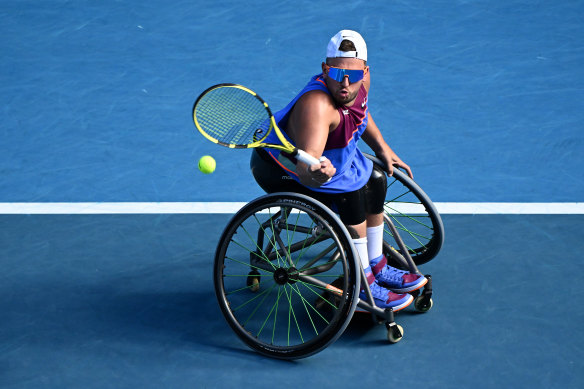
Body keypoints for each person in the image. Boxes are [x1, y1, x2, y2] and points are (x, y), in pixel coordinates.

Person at [250, 30, 426, 311]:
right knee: (350, 197)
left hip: (335, 159)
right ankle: (362, 283)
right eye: (337, 73)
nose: (345, 83)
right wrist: (317, 174)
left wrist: (382, 147)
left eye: (354, 76)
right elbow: (306, 171)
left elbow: (361, 113)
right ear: (325, 69)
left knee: (377, 179)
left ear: (365, 72)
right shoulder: (317, 107)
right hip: (281, 167)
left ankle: (376, 263)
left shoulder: (358, 84)